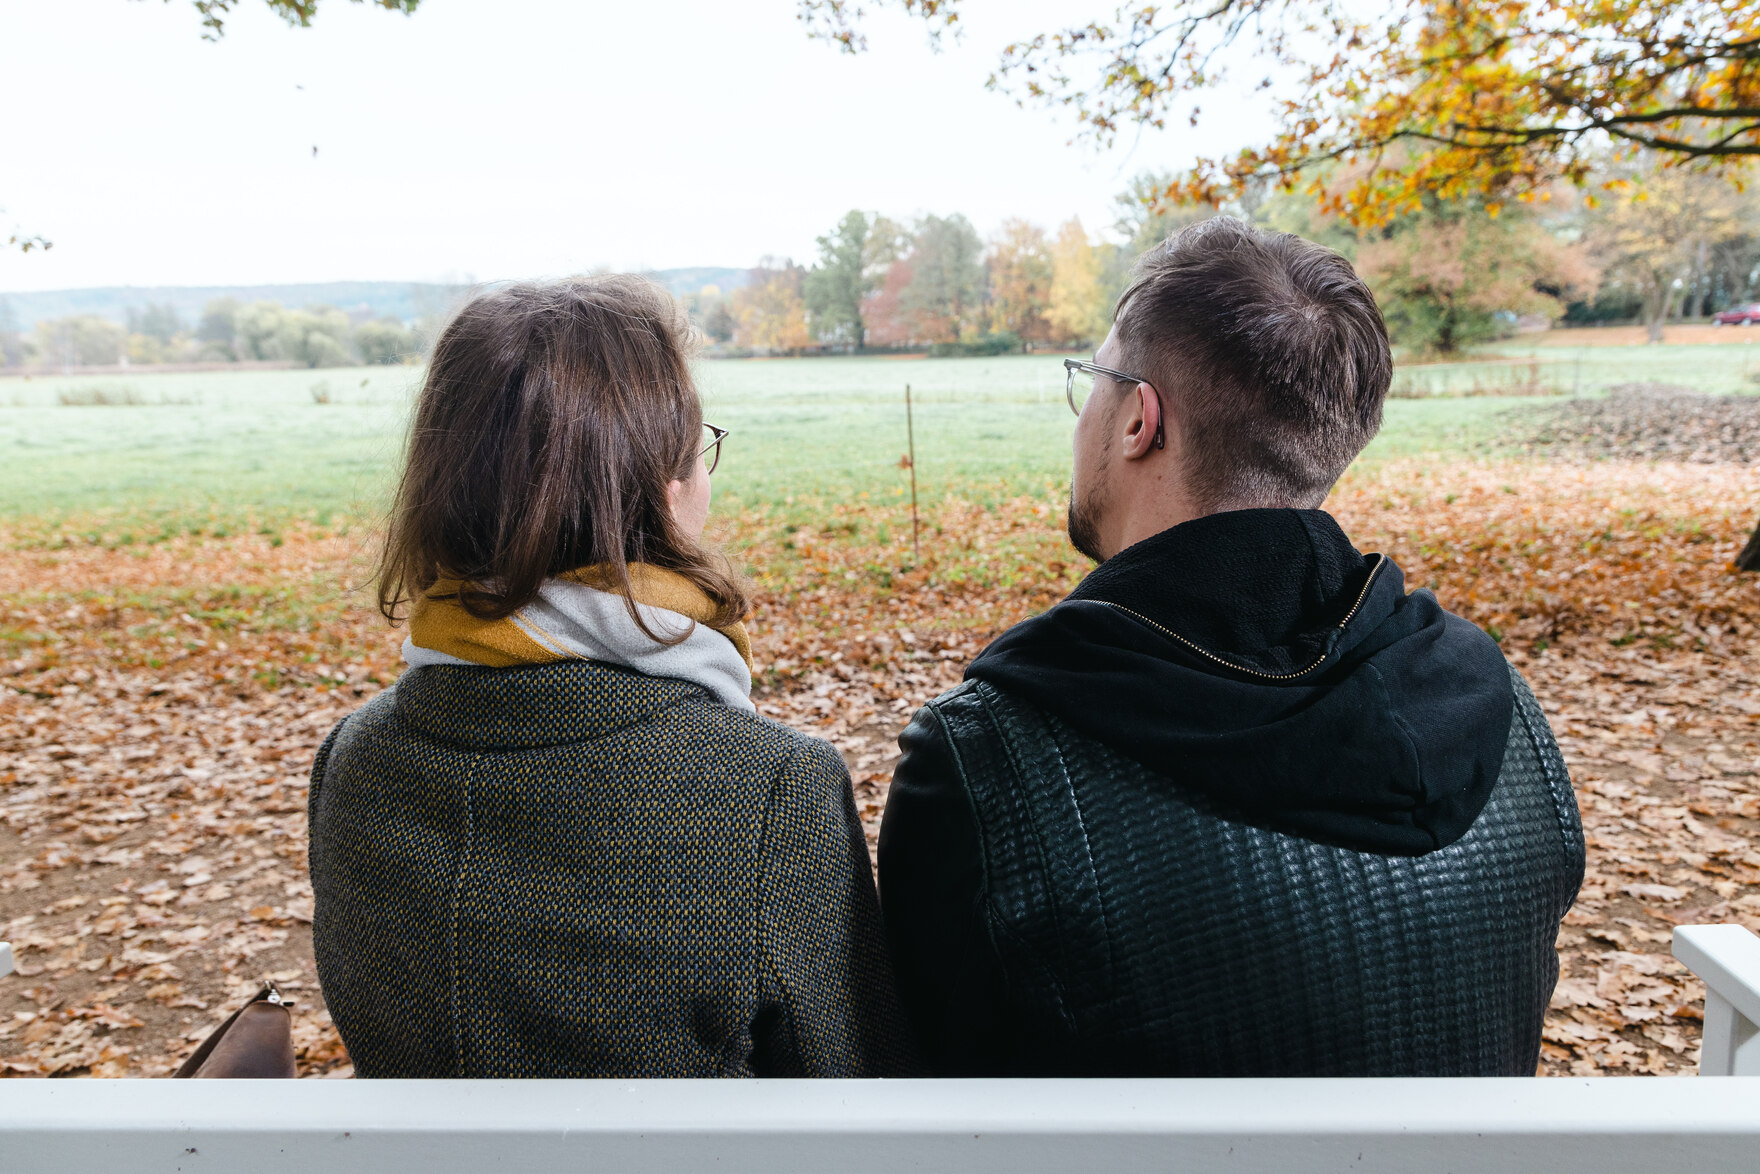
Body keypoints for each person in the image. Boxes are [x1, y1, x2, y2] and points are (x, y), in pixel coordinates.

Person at [878, 218, 1585, 1077]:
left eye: (1092, 381)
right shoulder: (1498, 708)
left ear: (1140, 419)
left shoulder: (983, 759)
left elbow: (926, 1100)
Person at [308, 276, 916, 1078]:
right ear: (662, 492)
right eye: (700, 447)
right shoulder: (771, 789)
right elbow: (860, 1096)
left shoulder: (352, 761)